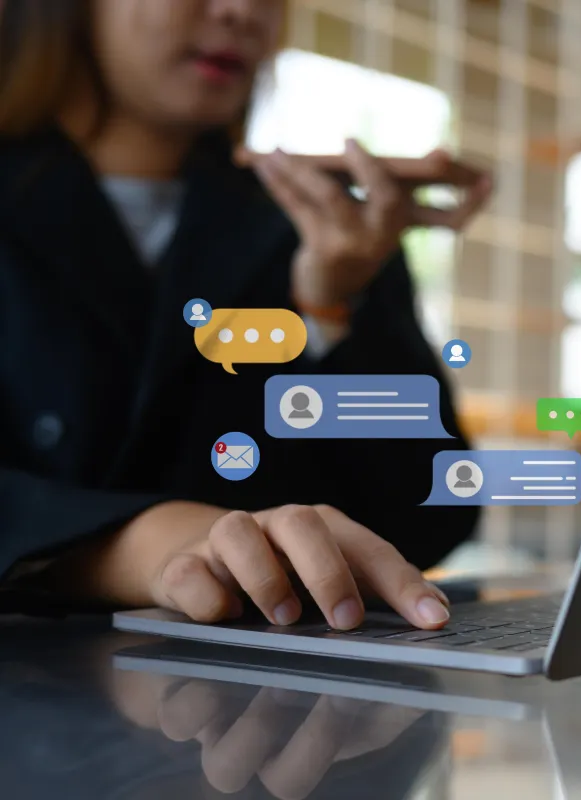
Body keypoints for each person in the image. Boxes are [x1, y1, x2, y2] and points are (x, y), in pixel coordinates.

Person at [0, 0, 492, 632]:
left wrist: (331, 312)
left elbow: (429, 517)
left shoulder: (318, 225)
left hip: (266, 705)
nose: (241, 11)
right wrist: (134, 544)